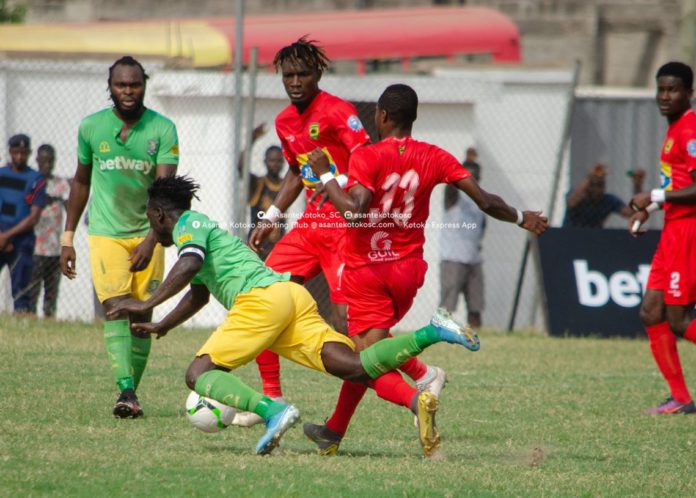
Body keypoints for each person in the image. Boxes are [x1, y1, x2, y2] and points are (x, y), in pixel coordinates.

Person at [107, 175, 479, 456]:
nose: (151, 229)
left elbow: (190, 264)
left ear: (157, 214)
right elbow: (200, 293)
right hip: (289, 296)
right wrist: (163, 323)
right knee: (353, 366)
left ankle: (271, 412)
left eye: (149, 221)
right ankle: (434, 331)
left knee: (198, 374)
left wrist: (145, 302)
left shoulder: (189, 225)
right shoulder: (200, 229)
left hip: (261, 300)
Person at [301, 84, 549, 454]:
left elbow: (354, 213)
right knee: (370, 352)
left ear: (381, 116)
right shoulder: (435, 156)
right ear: (413, 118)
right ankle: (335, 429)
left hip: (367, 269)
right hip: (407, 271)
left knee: (363, 362)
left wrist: (325, 175)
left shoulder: (367, 157)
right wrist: (520, 217)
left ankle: (419, 382)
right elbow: (484, 200)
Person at [59, 56, 179, 418]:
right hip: (105, 233)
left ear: (145, 85)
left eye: (135, 85)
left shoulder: (163, 129)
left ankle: (132, 393)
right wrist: (67, 238)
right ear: (110, 86)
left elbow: (165, 191)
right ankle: (125, 391)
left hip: (149, 233)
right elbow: (80, 182)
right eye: (121, 85)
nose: (128, 92)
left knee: (142, 315)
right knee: (115, 307)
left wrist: (151, 240)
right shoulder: (91, 127)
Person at [628, 61, 696, 414]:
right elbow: (678, 185)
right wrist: (650, 211)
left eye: (673, 90)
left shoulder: (690, 130)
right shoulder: (674, 131)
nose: (665, 96)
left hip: (688, 232)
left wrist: (653, 197)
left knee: (679, 321)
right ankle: (681, 399)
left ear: (689, 93)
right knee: (651, 312)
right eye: (661, 89)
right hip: (672, 228)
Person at [439, 147, 486, 328]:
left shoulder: (482, 201)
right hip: (453, 258)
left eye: (475, 176)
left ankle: (477, 335)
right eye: (468, 175)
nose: (472, 179)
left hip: (474, 259)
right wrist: (463, 163)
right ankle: (440, 333)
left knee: (476, 307)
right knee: (447, 306)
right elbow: (451, 183)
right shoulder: (454, 196)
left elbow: (482, 229)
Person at [0, 134, 46, 312]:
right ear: (10, 152)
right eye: (16, 152)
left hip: (21, 240)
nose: (19, 157)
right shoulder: (1, 174)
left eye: (23, 153)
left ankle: (21, 321)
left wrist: (7, 237)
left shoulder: (36, 179)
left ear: (29, 153)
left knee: (20, 288)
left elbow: (33, 217)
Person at [27, 144, 70, 318]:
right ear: (37, 160)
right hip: (35, 247)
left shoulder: (60, 184)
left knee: (51, 292)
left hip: (54, 248)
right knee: (32, 290)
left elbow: (69, 207)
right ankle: (28, 318)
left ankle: (49, 319)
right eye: (43, 160)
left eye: (50, 160)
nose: (47, 164)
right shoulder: (31, 182)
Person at [237, 123, 286, 261]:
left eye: (278, 161)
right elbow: (241, 166)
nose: (275, 164)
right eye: (271, 161)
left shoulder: (286, 186)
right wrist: (251, 139)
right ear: (265, 162)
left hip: (279, 246)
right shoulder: (258, 184)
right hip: (257, 246)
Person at [563, 162, 645, 228]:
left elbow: (631, 213)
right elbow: (571, 203)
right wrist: (590, 176)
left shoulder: (608, 200)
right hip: (571, 234)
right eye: (593, 185)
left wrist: (637, 186)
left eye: (600, 185)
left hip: (594, 237)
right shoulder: (577, 195)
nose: (597, 189)